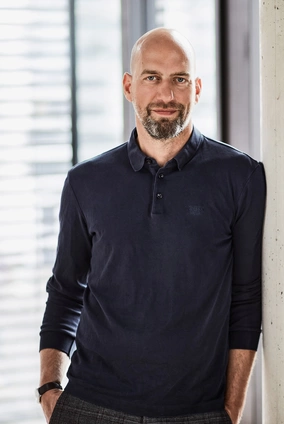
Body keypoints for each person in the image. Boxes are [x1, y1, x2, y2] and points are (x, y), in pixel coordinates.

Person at [38, 28, 266, 424]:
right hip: (89, 406)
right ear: (129, 86)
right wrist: (49, 389)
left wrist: (231, 410)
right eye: (151, 78)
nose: (166, 95)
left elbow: (246, 300)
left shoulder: (241, 176)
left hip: (198, 411)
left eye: (179, 79)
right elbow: (65, 292)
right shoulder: (85, 182)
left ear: (196, 88)